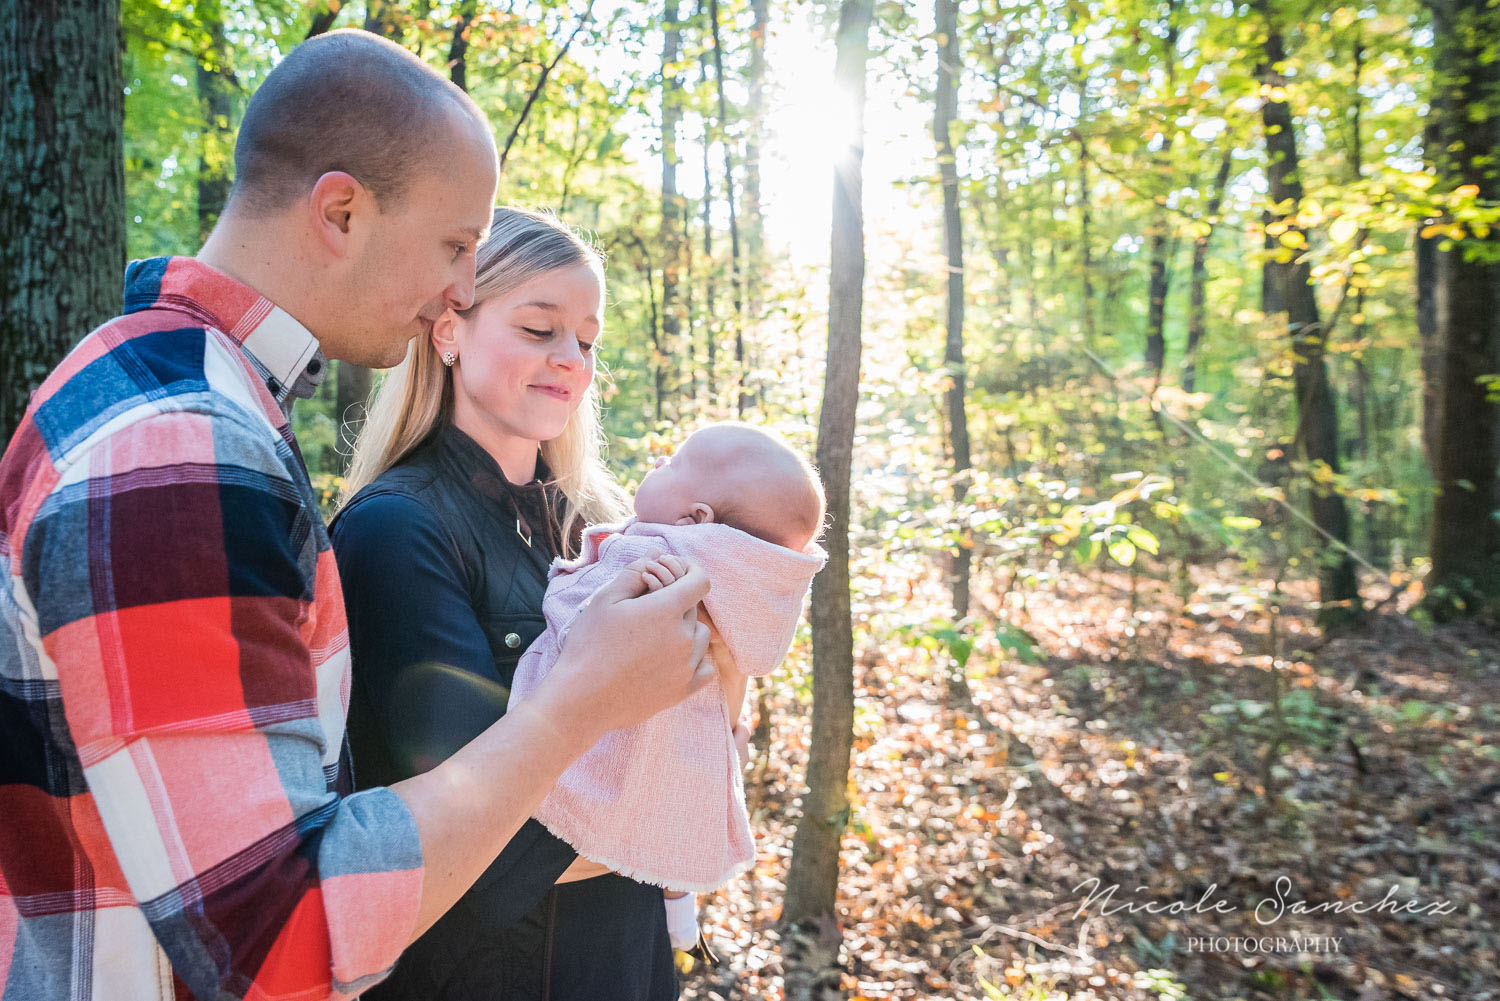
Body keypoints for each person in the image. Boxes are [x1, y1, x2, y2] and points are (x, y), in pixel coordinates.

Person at [0, 30, 711, 1001]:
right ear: (340, 210)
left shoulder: (173, 398)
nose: (460, 290)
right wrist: (580, 700)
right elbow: (279, 941)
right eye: (458, 244)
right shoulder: (177, 446)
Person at [331, 206, 697, 1000]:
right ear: (449, 330)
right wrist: (672, 812)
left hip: (628, 964)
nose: (572, 358)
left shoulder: (600, 530)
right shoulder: (396, 531)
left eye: (588, 340)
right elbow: (478, 839)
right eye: (540, 328)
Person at [509, 422, 826, 951]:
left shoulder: (656, 557)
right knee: (674, 815)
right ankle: (680, 909)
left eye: (675, 464)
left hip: (624, 730)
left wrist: (565, 580)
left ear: (696, 519)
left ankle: (678, 910)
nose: (659, 462)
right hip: (690, 743)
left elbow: (579, 614)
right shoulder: (744, 588)